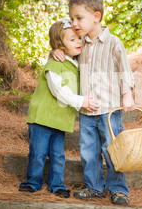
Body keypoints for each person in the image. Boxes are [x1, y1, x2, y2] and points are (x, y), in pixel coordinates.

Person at [51, 0, 135, 205]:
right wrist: (54, 52)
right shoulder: (79, 44)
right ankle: (94, 187)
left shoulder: (113, 43)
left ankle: (118, 189)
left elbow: (125, 70)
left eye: (79, 18)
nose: (74, 23)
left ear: (96, 17)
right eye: (72, 19)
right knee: (88, 152)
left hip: (109, 110)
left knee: (113, 151)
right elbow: (64, 49)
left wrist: (127, 94)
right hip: (87, 111)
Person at [19, 18, 99, 198]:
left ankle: (57, 185)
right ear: (59, 46)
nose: (78, 42)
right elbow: (59, 91)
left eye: (79, 38)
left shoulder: (78, 66)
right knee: (38, 153)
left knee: (58, 155)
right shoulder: (55, 64)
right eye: (72, 40)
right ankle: (33, 182)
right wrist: (81, 101)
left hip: (60, 120)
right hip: (42, 118)